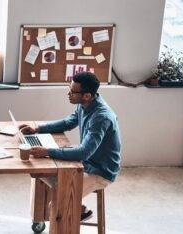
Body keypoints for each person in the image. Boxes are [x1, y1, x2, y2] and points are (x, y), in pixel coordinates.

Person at [19, 72, 121, 221]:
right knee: (40, 171)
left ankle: (71, 208)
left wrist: (47, 151)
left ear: (87, 95)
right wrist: (38, 128)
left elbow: (83, 152)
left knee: (59, 203)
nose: (68, 94)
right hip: (86, 162)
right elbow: (68, 122)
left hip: (101, 171)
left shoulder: (101, 117)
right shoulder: (85, 105)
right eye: (69, 88)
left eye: (73, 92)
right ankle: (76, 209)